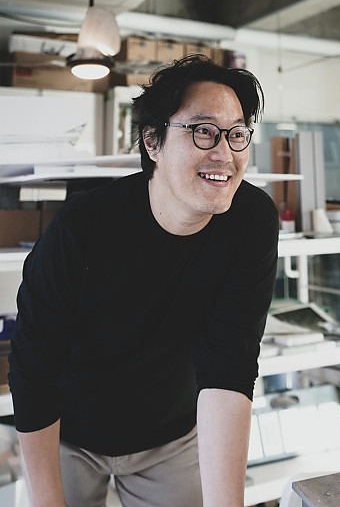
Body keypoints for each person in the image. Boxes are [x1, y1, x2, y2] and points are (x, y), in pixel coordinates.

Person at [8, 54, 279, 507]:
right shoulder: (82, 227)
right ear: (152, 141)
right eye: (203, 130)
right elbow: (33, 367)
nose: (225, 153)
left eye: (236, 133)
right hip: (68, 435)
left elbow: (230, 363)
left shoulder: (250, 220)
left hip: (172, 436)